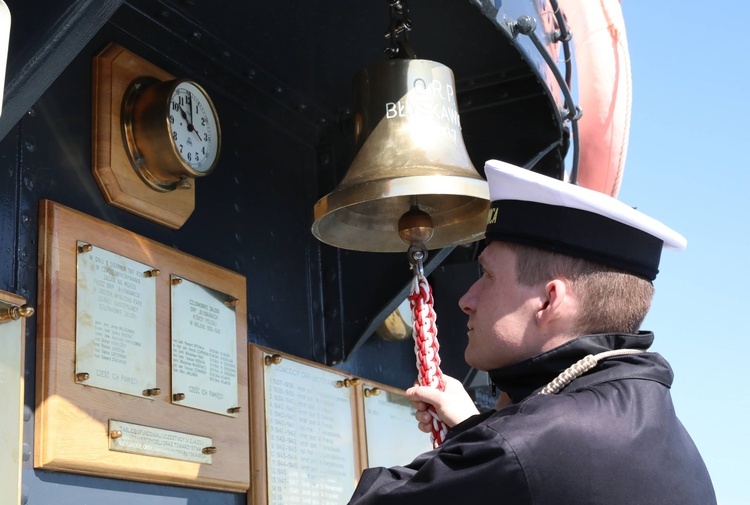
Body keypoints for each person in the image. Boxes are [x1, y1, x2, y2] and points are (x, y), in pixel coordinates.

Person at [348, 159, 716, 504]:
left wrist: (488, 440)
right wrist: (474, 428)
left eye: (488, 276)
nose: (466, 299)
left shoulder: (526, 447)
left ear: (548, 301)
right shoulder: (670, 441)